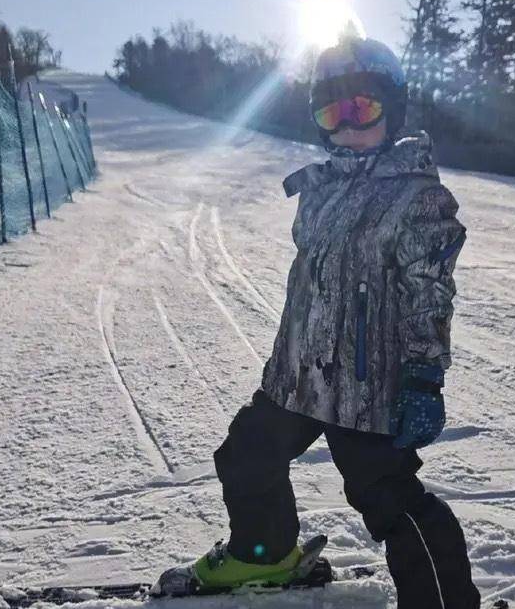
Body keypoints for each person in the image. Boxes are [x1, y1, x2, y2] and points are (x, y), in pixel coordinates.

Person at [189, 37, 479, 608]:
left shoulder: (417, 197)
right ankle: (265, 554)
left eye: (362, 109)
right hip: (298, 378)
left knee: (387, 497)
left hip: (369, 389)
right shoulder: (317, 191)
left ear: (392, 112)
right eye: (332, 111)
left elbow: (430, 293)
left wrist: (423, 376)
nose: (347, 124)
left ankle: (443, 602)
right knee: (246, 455)